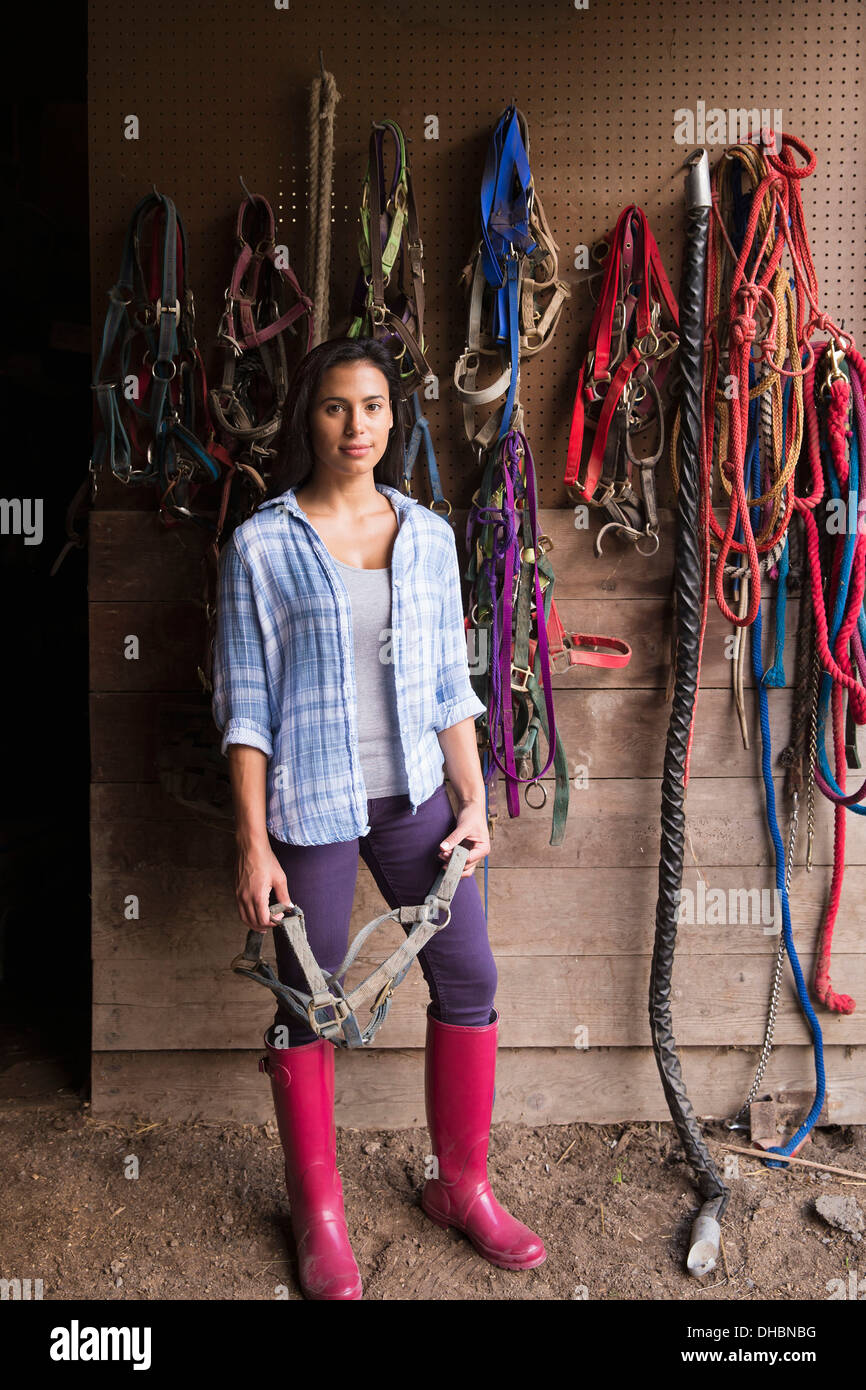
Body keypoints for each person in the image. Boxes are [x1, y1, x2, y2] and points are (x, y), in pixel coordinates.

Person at [211, 336, 546, 1300]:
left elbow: (451, 686)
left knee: (469, 969)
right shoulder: (262, 543)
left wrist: (475, 801)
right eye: (333, 407)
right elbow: (244, 707)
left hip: (414, 800)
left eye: (372, 407)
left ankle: (462, 1186)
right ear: (306, 419)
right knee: (304, 1001)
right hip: (308, 804)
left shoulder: (431, 537)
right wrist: (251, 841)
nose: (355, 426)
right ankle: (318, 1218)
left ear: (394, 418)